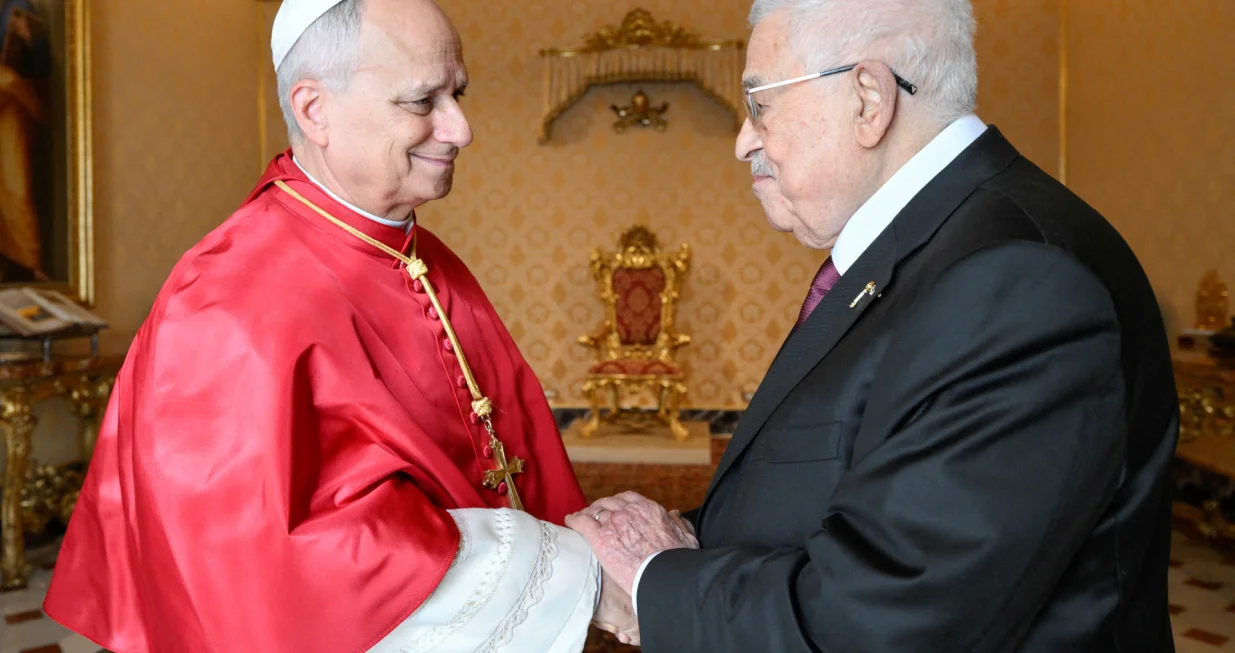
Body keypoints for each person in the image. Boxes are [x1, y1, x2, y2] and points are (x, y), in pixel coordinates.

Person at [567, 0, 1179, 651]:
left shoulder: (1015, 277)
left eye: (760, 104)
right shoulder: (942, 247)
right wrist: (683, 540)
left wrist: (653, 579)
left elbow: (889, 620)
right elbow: (856, 501)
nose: (743, 141)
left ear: (867, 98)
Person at [44, 1, 638, 651]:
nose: (460, 128)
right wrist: (570, 567)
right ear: (313, 110)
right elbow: (279, 572)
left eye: (457, 93)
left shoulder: (421, 256)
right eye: (422, 101)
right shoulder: (223, 299)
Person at [0, 0, 52, 281]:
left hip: (11, 102)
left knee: (14, 186)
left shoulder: (18, 6)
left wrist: (28, 37)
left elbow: (40, 63)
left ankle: (29, 264)